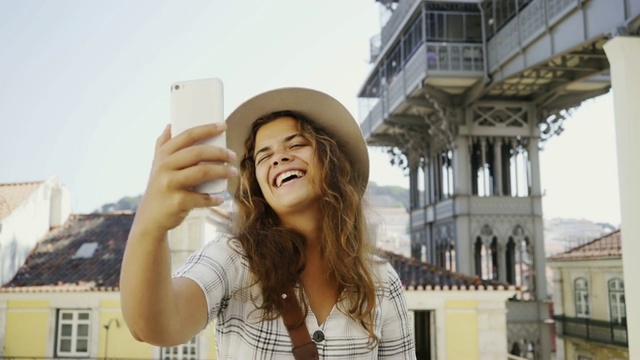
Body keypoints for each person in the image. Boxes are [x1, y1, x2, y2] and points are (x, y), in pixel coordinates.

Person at [120, 87, 416, 359]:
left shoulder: (382, 281)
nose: (279, 158)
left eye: (296, 144)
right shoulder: (232, 258)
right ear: (257, 184)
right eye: (264, 156)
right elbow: (154, 327)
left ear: (331, 161)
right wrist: (151, 225)